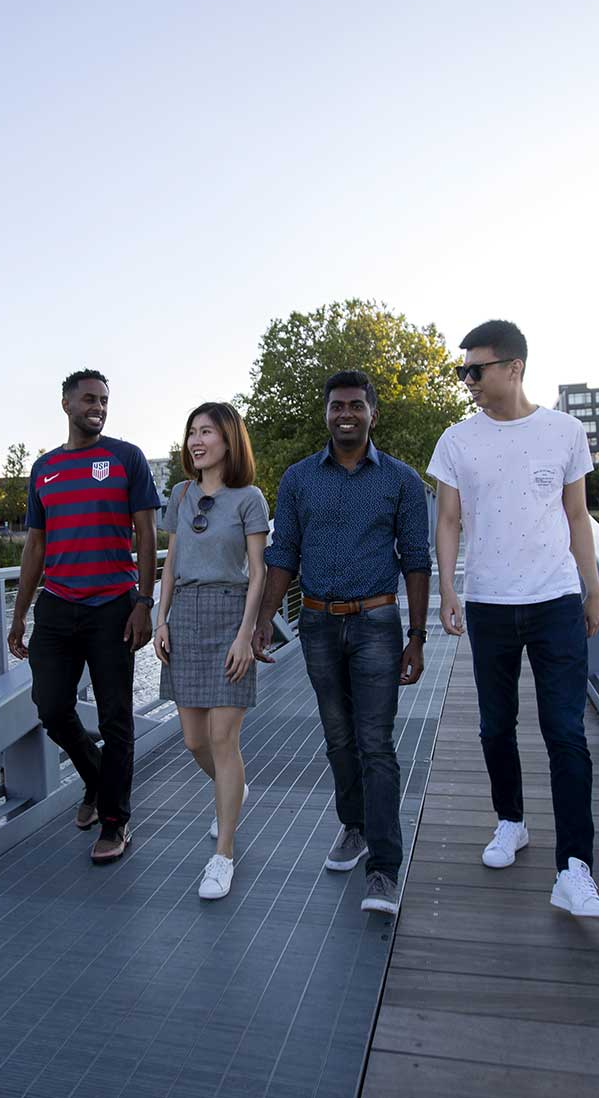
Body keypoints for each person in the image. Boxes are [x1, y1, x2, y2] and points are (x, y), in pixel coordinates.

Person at [428, 320, 599, 919]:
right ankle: (511, 821)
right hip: (488, 603)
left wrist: (592, 589)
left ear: (514, 367)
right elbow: (450, 521)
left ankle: (575, 870)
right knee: (493, 726)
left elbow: (578, 516)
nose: (467, 382)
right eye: (463, 372)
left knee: (566, 733)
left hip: (557, 601)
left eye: (474, 370)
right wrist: (449, 592)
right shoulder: (457, 439)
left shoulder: (565, 430)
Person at [253, 370, 431, 916]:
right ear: (326, 413)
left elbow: (417, 561)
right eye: (336, 406)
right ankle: (353, 827)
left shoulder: (400, 481)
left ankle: (383, 867)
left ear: (372, 414)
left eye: (355, 405)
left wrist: (417, 636)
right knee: (336, 738)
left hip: (377, 622)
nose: (345, 413)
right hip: (317, 624)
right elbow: (283, 554)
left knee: (375, 744)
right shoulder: (300, 478)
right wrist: (263, 619)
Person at [7, 369, 160, 864]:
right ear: (67, 404)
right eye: (89, 399)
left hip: (113, 606)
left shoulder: (126, 458)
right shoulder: (44, 468)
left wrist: (144, 601)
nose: (98, 406)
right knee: (50, 706)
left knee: (117, 717)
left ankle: (115, 821)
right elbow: (35, 544)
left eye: (105, 400)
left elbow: (146, 535)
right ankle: (95, 779)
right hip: (57, 605)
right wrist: (19, 614)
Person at [154, 402, 269, 900]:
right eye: (192, 432)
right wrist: (160, 618)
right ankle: (233, 791)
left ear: (228, 440)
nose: (197, 441)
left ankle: (222, 855)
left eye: (207, 432)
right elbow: (171, 562)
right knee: (194, 741)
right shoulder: (179, 494)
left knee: (223, 739)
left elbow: (259, 571)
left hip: (229, 616)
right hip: (186, 618)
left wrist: (245, 634)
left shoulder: (249, 499)